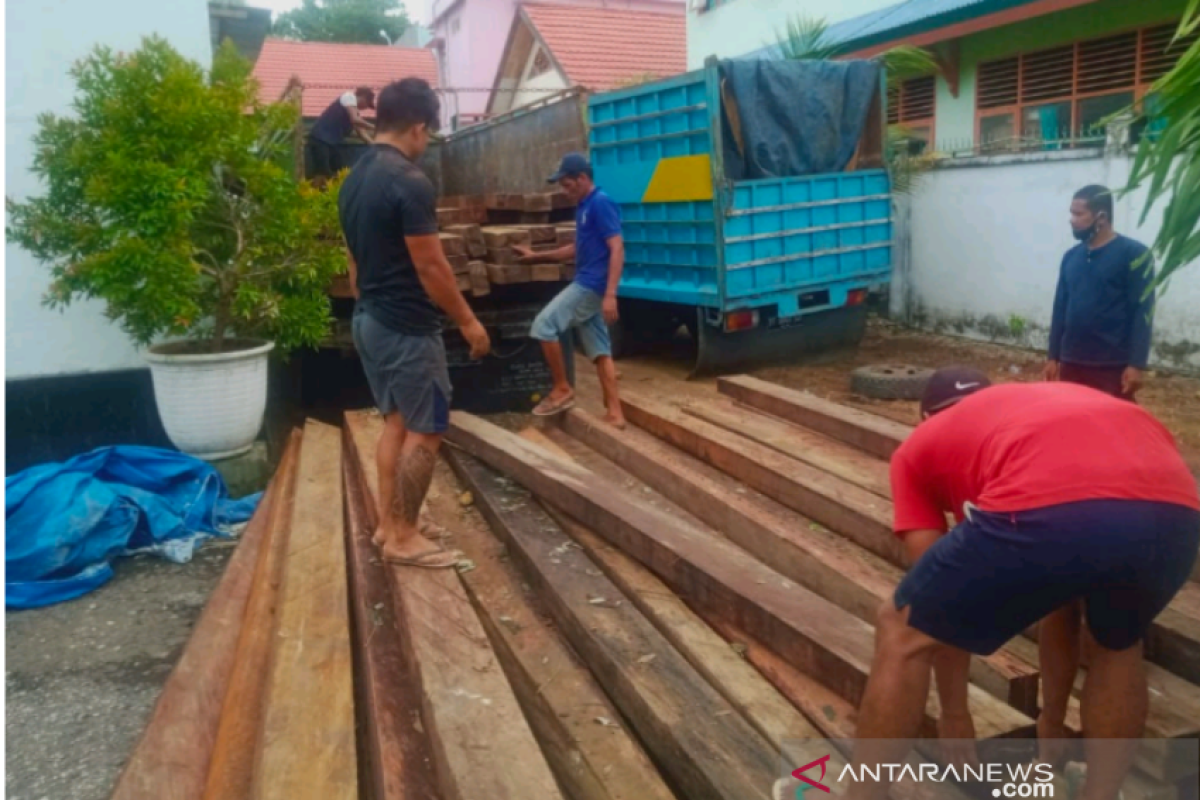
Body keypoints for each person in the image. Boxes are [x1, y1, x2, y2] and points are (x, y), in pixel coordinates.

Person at [840, 367, 1199, 800]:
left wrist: (954, 714)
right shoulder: (1031, 406)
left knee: (901, 629)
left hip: (1053, 496)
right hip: (1175, 503)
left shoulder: (916, 452)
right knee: (1118, 646)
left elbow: (935, 616)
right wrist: (1050, 724)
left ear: (922, 418)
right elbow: (1060, 599)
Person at [339, 77, 491, 569]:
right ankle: (403, 536)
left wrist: (370, 303)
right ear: (419, 127)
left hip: (368, 319)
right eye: (428, 134)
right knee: (427, 431)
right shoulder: (408, 181)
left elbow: (353, 259)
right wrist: (468, 321)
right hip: (405, 325)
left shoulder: (355, 178)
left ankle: (389, 524)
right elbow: (430, 265)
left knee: (397, 424)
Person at [516, 152, 626, 428]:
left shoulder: (601, 203)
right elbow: (575, 249)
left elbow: (617, 247)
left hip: (591, 285)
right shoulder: (584, 207)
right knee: (601, 352)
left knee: (544, 325)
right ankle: (616, 414)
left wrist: (610, 293)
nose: (564, 191)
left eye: (567, 184)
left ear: (583, 178)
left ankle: (562, 388)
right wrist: (535, 256)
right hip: (590, 283)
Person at [1044, 184, 1155, 400]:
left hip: (1111, 366)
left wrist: (1136, 364)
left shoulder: (1134, 255)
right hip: (1072, 362)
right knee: (1072, 418)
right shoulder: (1071, 257)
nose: (1072, 220)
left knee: (1110, 426)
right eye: (1071, 213)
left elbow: (1142, 312)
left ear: (1101, 217)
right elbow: (1060, 308)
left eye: (1078, 214)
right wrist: (1053, 356)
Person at [308, 86, 377, 187]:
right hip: (320, 139)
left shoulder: (354, 111)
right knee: (322, 172)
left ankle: (327, 195)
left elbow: (361, 133)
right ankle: (313, 198)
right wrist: (374, 127)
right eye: (367, 104)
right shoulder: (349, 97)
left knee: (337, 169)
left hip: (332, 143)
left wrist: (374, 145)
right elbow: (355, 120)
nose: (366, 108)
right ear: (363, 97)